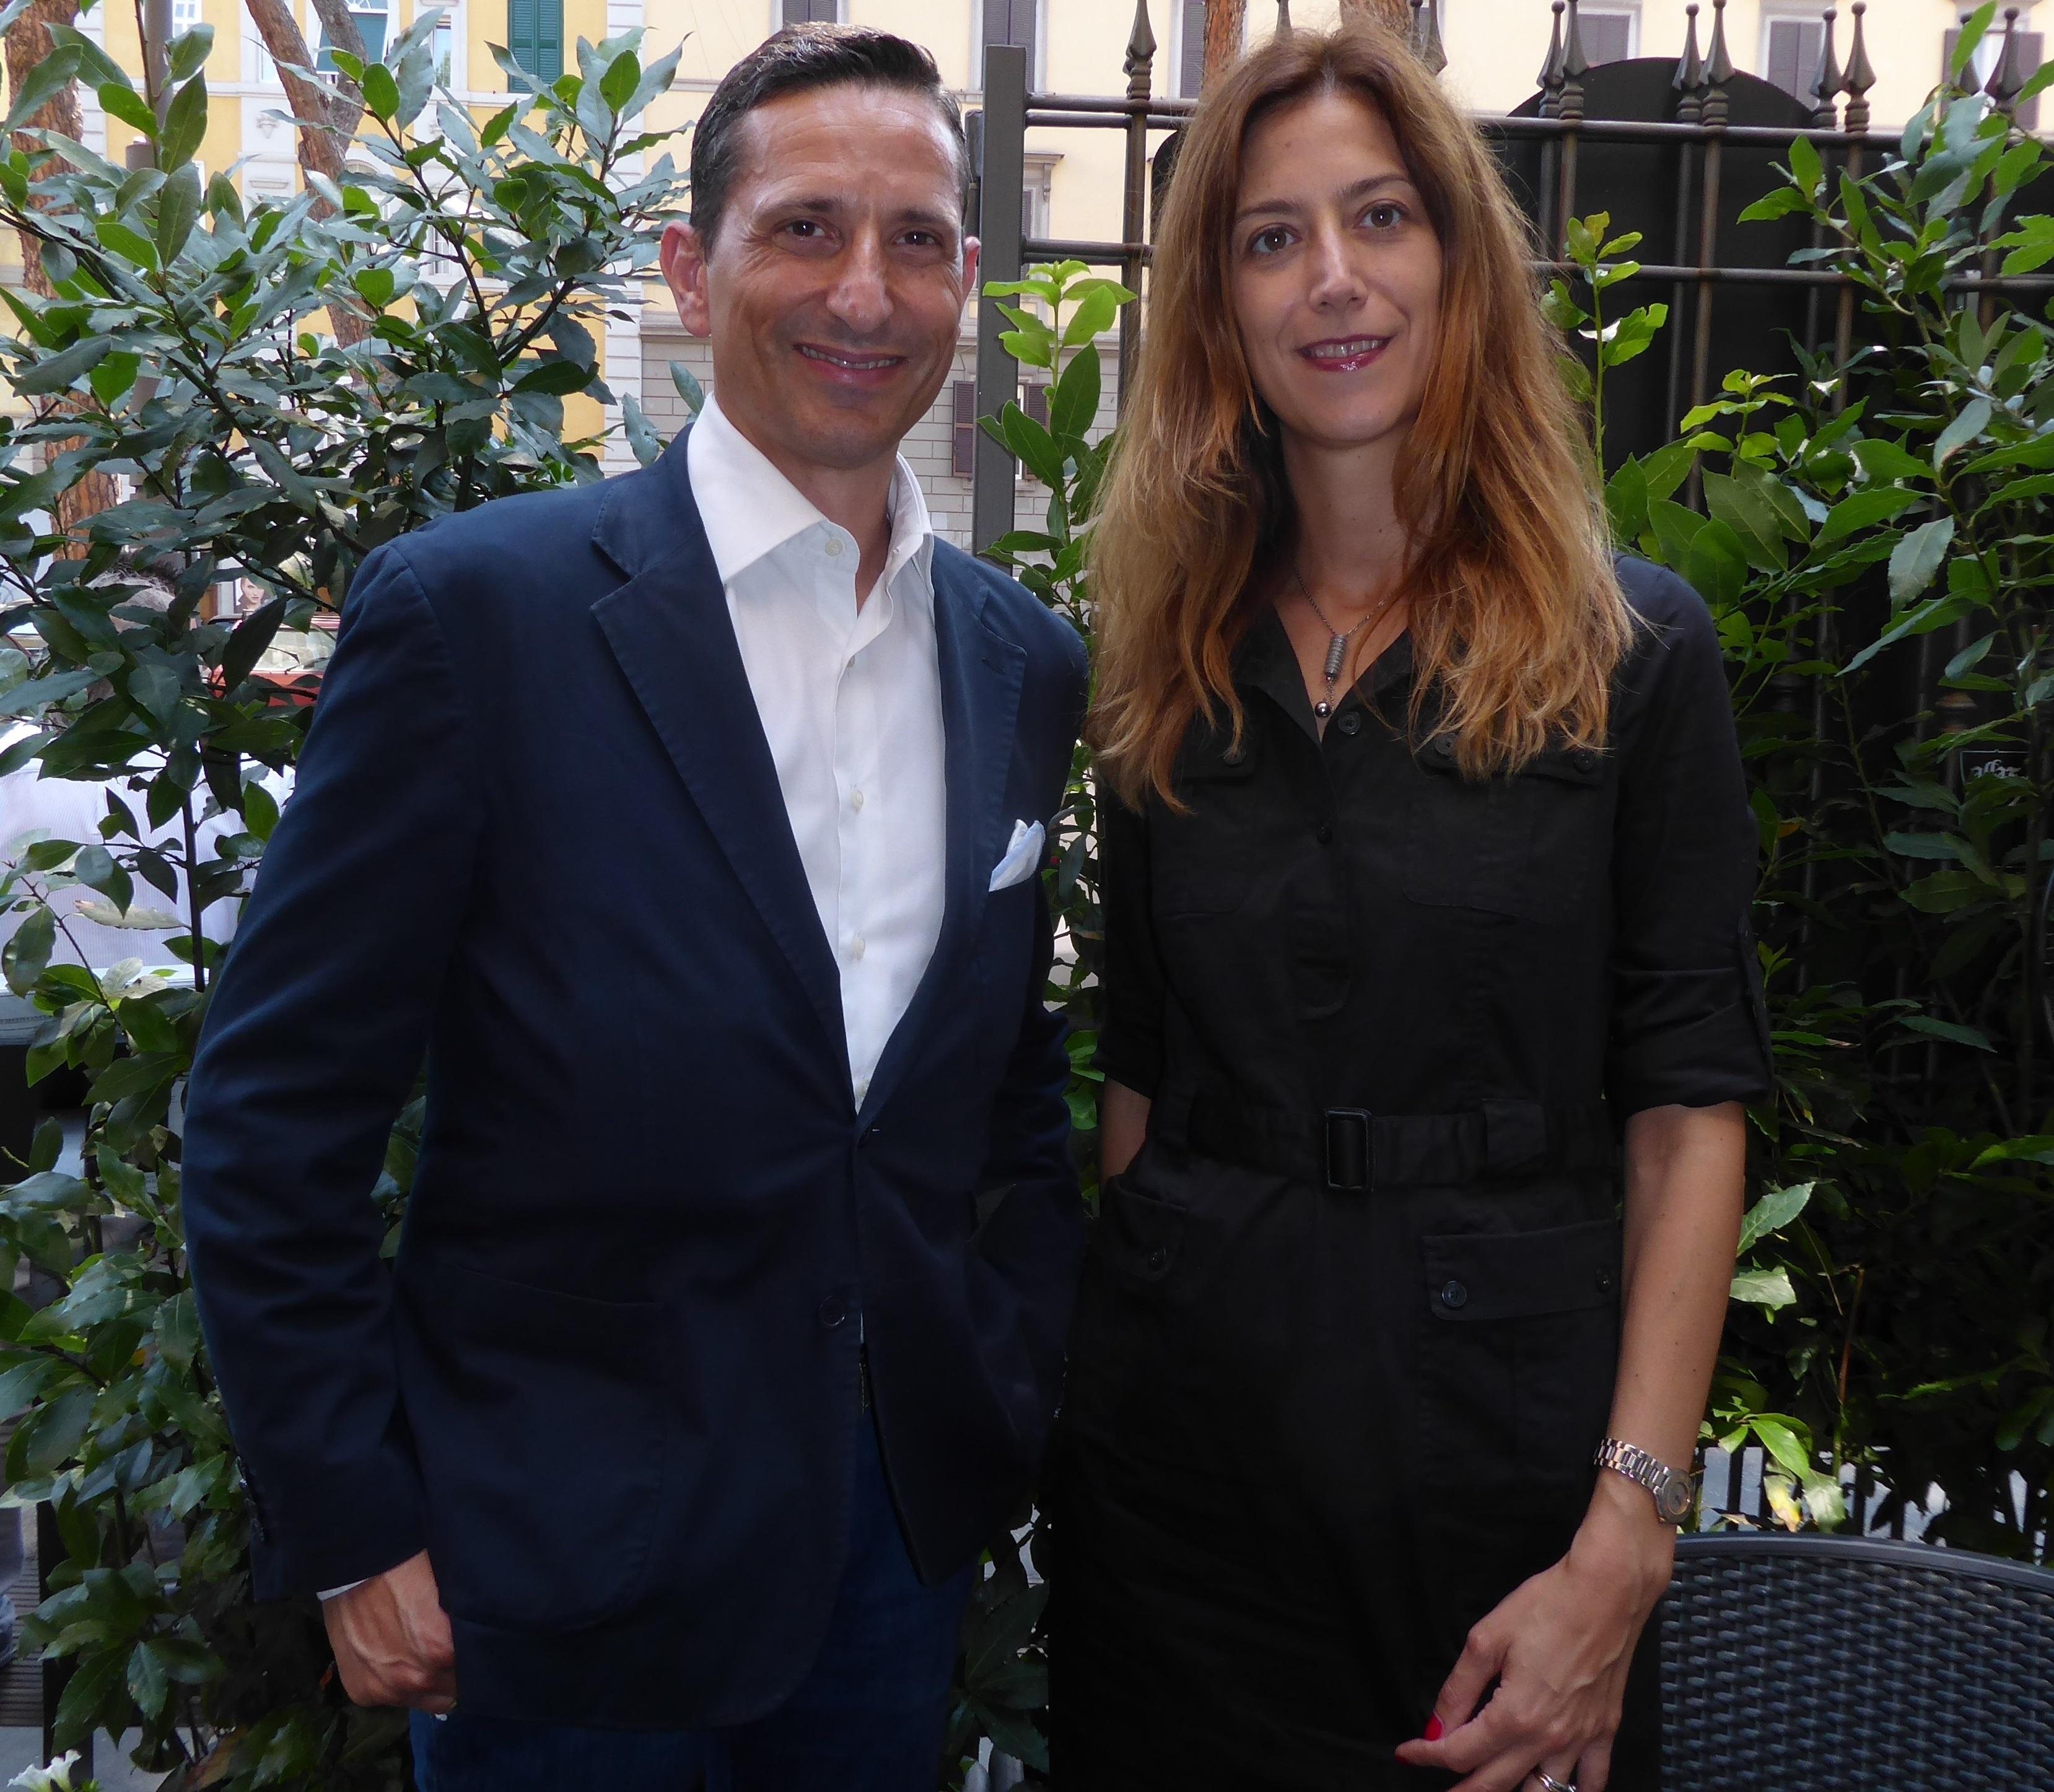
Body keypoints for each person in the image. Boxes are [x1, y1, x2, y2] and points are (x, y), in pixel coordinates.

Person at [179, 25, 1090, 1791]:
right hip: (546, 1579)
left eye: (915, 241)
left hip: (889, 1565)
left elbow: (1002, 1095)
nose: (865, 291)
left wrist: (1005, 1371)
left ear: (967, 280)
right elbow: (273, 1114)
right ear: (691, 268)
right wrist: (354, 1522)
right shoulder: (477, 619)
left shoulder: (1020, 660)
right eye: (806, 228)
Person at [1051, 22, 1772, 1792]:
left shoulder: (1630, 653)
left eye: (1379, 216)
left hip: (1499, 1483)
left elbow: (1688, 1113)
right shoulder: (1162, 657)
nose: (1333, 279)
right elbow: (1137, 1084)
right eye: (1270, 238)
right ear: (1218, 308)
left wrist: (1626, 1538)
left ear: (1459, 260)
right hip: (1177, 1486)